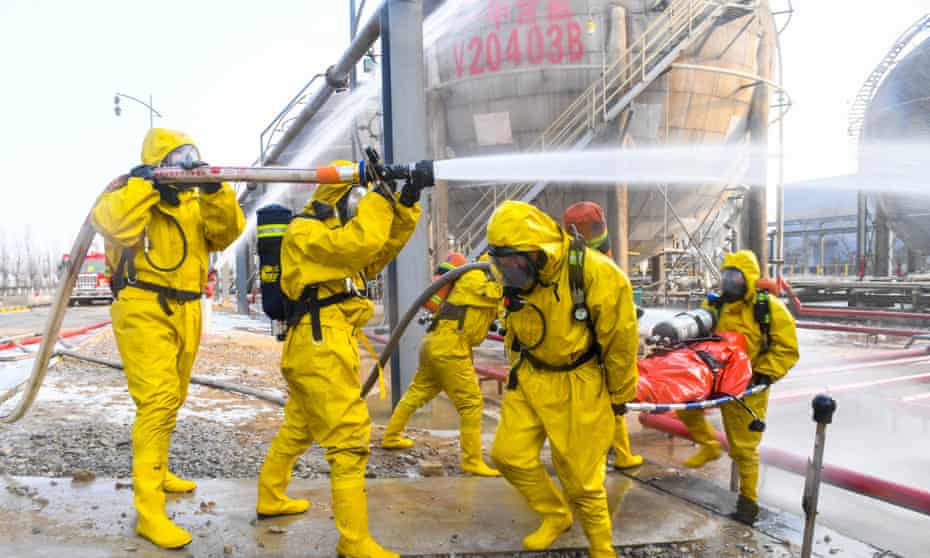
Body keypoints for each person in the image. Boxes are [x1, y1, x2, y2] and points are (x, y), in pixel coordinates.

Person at [255, 161, 423, 558]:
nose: (360, 206)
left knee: (298, 429)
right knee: (348, 439)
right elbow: (360, 243)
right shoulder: (305, 231)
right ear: (340, 198)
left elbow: (380, 248)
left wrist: (405, 203)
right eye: (357, 198)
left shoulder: (333, 243)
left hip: (320, 343)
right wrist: (379, 200)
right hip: (320, 344)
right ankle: (354, 541)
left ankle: (270, 497)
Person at [91, 128, 245, 549]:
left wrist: (215, 191)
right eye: (177, 159)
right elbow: (114, 225)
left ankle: (159, 469)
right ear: (158, 163)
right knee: (157, 401)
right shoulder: (126, 194)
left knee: (173, 397)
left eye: (190, 158)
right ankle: (149, 511)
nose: (185, 167)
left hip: (188, 308)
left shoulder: (194, 204)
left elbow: (226, 233)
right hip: (144, 306)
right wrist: (144, 184)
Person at [487, 201, 638, 558]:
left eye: (513, 263)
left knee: (582, 480)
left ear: (536, 252)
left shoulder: (597, 274)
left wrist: (620, 394)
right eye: (502, 263)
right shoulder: (516, 272)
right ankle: (555, 515)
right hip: (530, 376)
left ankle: (601, 546)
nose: (508, 272)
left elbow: (620, 342)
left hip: (578, 382)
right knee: (508, 456)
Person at [675, 250, 799, 524]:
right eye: (727, 276)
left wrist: (763, 374)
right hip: (716, 375)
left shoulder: (767, 309)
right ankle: (709, 445)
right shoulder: (716, 307)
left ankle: (748, 503)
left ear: (749, 279)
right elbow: (698, 333)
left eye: (736, 277)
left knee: (744, 448)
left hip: (747, 384)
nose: (730, 283)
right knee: (685, 403)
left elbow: (788, 348)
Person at [380, 251, 502, 477]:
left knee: (418, 392)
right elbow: (499, 296)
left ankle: (391, 436)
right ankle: (472, 461)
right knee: (471, 404)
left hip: (435, 342)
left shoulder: (478, 280)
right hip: (449, 346)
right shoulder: (476, 278)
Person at [562, 201, 643, 470]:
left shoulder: (562, 264)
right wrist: (622, 392)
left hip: (568, 355)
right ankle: (619, 455)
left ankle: (614, 454)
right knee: (609, 403)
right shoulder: (604, 270)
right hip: (592, 356)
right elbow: (620, 338)